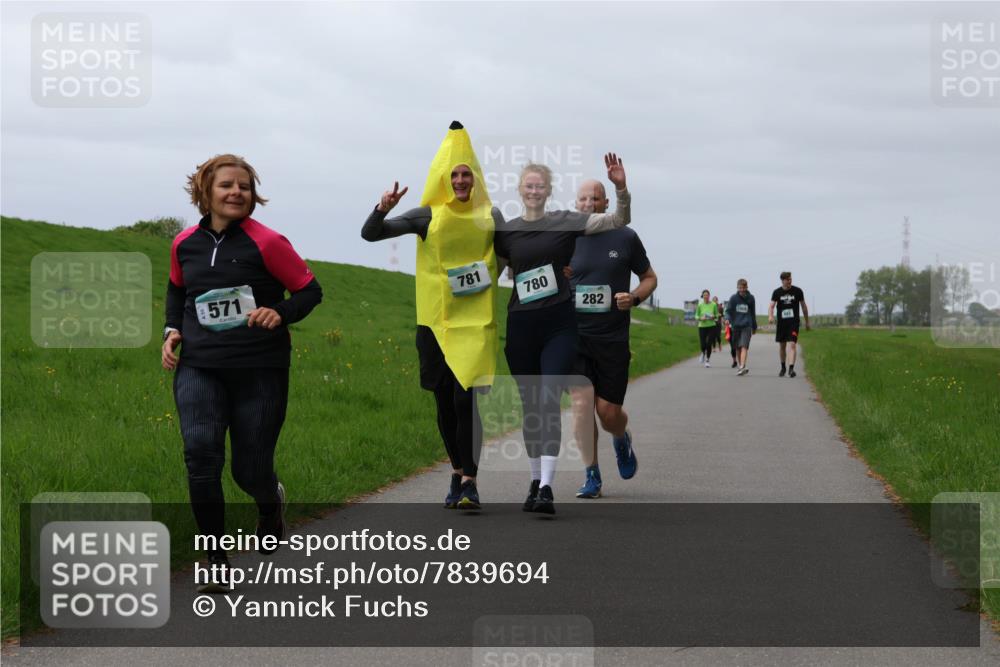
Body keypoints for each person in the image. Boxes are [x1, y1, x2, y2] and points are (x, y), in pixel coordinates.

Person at [163, 154, 323, 592]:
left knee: (249, 470)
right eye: (226, 185)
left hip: (259, 369)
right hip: (200, 367)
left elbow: (310, 291)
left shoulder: (268, 242)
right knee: (200, 457)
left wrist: (281, 311)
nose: (236, 192)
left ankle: (269, 503)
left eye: (245, 187)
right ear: (206, 192)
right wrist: (172, 330)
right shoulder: (184, 244)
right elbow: (178, 289)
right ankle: (216, 558)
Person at [361, 121, 502, 511]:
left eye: (466, 174)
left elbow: (517, 249)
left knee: (464, 401)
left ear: (475, 179)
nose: (460, 180)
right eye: (454, 174)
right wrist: (382, 209)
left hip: (474, 324)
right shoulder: (427, 215)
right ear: (444, 177)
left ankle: (470, 480)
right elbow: (371, 235)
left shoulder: (490, 215)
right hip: (434, 324)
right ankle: (457, 470)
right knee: (443, 402)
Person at [495, 155, 631, 514]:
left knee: (549, 399)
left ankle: (547, 487)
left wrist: (620, 188)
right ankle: (533, 479)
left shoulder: (566, 221)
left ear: (549, 191)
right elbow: (491, 271)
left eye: (540, 185)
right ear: (520, 190)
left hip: (558, 325)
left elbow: (618, 219)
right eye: (529, 185)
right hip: (521, 325)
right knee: (531, 408)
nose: (534, 190)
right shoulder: (506, 230)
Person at [567, 179, 657, 499]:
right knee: (581, 405)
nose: (589, 203)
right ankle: (591, 474)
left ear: (606, 204)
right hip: (575, 337)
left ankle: (621, 436)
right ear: (576, 204)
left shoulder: (626, 237)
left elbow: (649, 278)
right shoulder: (567, 238)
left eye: (595, 198)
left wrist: (633, 297)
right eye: (583, 198)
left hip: (612, 339)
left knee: (608, 414)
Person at [768, 271, 810, 378]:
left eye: (790, 279)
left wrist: (807, 321)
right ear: (782, 280)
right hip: (782, 323)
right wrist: (771, 316)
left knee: (792, 344)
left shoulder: (798, 291)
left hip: (793, 322)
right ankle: (783, 367)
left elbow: (804, 307)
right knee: (782, 346)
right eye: (787, 279)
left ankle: (791, 369)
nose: (789, 281)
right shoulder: (777, 292)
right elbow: (771, 306)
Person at [725, 278, 757, 376]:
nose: (742, 290)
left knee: (744, 346)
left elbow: (752, 313)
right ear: (737, 288)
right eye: (740, 288)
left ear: (746, 287)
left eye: (744, 287)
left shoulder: (751, 298)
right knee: (737, 348)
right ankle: (741, 366)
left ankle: (742, 366)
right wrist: (727, 319)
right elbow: (728, 311)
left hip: (747, 326)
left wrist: (754, 326)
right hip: (736, 326)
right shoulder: (733, 298)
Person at [695, 290, 717, 368]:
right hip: (702, 326)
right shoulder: (700, 305)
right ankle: (703, 353)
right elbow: (696, 316)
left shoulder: (714, 305)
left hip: (711, 326)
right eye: (704, 295)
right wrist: (701, 318)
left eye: (707, 295)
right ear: (703, 296)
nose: (706, 296)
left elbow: (716, 315)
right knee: (703, 344)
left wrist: (713, 317)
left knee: (709, 344)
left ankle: (707, 360)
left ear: (709, 296)